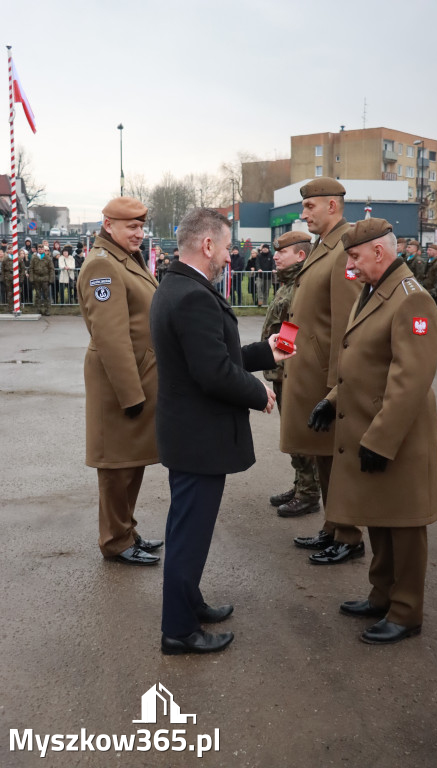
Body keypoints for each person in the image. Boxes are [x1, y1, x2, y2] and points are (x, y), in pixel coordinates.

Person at [150, 207, 294, 655]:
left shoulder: (179, 285)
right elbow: (213, 372)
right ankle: (179, 631)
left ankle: (189, 603)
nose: (231, 256)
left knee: (189, 531)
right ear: (207, 244)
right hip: (198, 438)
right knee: (189, 536)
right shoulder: (191, 295)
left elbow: (216, 353)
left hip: (189, 435)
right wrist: (258, 393)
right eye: (228, 247)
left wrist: (266, 352)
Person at [309, 218, 437, 644]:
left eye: (355, 256)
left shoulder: (411, 300)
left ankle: (406, 611)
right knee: (379, 517)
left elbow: (409, 381)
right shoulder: (373, 291)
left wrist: (382, 440)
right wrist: (332, 401)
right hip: (372, 428)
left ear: (379, 252)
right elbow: (363, 361)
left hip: (398, 436)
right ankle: (382, 595)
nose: (350, 265)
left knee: (404, 526)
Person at [279, 178, 363, 563]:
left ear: (332, 205)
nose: (303, 213)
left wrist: (336, 391)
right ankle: (332, 528)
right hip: (309, 371)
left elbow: (348, 327)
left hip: (328, 378)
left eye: (310, 206)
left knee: (337, 458)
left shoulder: (344, 248)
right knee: (324, 457)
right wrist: (282, 350)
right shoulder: (322, 246)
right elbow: (300, 309)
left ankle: (348, 536)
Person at [77, 196, 163, 566]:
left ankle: (126, 530)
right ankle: (115, 540)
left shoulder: (124, 259)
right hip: (120, 383)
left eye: (141, 227)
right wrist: (131, 393)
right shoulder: (103, 265)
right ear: (108, 225)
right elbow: (111, 337)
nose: (139, 233)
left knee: (131, 460)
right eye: (131, 226)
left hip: (137, 377)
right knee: (116, 466)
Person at [262, 231, 321, 517]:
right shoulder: (290, 282)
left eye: (281, 252)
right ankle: (301, 485)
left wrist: (282, 364)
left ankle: (308, 493)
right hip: (281, 369)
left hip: (290, 371)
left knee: (298, 434)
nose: (275, 256)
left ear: (300, 255)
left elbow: (294, 328)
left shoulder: (301, 285)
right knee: (291, 433)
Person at [29, 243, 54, 315]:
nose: (40, 250)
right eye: (39, 249)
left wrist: (51, 279)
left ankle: (47, 310)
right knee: (38, 295)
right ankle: (38, 310)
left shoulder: (47, 258)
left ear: (44, 250)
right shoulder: (34, 258)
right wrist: (31, 278)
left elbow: (51, 269)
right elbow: (31, 268)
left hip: (45, 278)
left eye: (42, 249)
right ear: (37, 250)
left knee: (46, 295)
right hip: (36, 278)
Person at [2, 243, 25, 312]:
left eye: (12, 249)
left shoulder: (19, 259)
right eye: (10, 249)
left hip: (17, 278)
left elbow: (22, 269)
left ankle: (18, 308)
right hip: (8, 278)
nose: (11, 250)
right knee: (9, 294)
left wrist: (21, 279)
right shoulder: (5, 259)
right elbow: (3, 270)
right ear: (8, 250)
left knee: (17, 293)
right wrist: (3, 278)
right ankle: (10, 308)